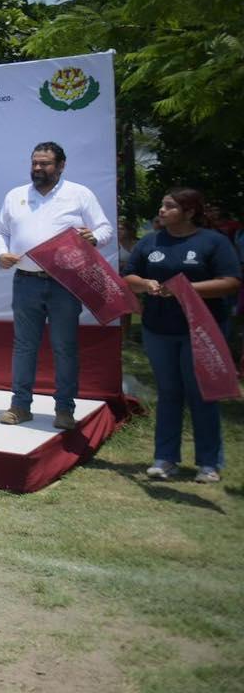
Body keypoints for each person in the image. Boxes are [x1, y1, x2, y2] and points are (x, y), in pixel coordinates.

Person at [0, 141, 113, 429]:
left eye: (44, 163)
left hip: (66, 283)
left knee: (64, 347)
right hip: (25, 282)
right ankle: (20, 406)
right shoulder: (16, 195)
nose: (37, 168)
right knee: (24, 346)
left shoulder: (78, 194)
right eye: (34, 162)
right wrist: (1, 253)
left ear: (60, 165)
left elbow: (104, 228)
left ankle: (64, 410)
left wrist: (93, 238)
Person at [124, 188, 241, 483]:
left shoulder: (212, 242)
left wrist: (185, 289)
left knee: (201, 394)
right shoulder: (150, 241)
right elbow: (129, 276)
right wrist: (147, 283)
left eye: (170, 206)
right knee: (169, 393)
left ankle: (209, 463)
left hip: (200, 330)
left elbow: (231, 282)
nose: (162, 211)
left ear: (189, 212)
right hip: (157, 329)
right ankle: (165, 458)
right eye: (162, 205)